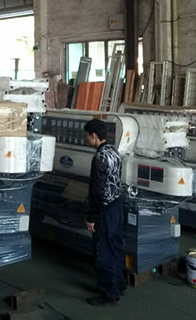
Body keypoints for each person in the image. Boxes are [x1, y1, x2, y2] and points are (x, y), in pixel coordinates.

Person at [84, 118, 125, 307]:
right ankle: (119, 284)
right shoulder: (114, 152)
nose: (86, 140)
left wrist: (92, 217)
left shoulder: (99, 157)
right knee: (115, 247)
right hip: (116, 205)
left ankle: (109, 294)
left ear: (93, 136)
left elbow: (97, 191)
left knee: (103, 251)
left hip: (104, 210)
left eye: (87, 136)